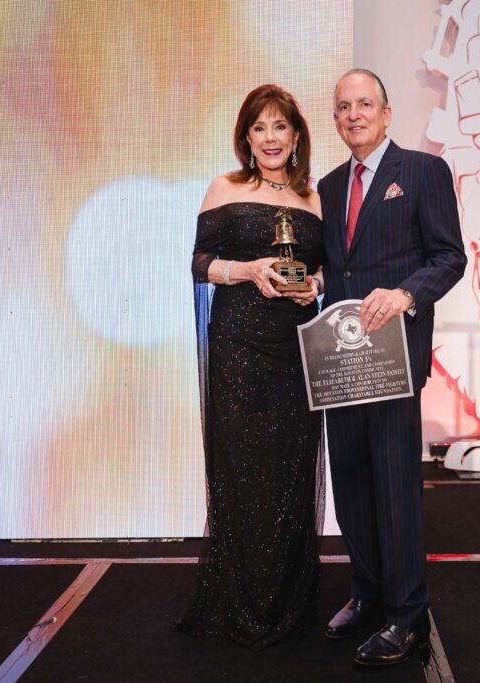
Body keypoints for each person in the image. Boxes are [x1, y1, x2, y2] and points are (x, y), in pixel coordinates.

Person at [315, 69, 466, 666]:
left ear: (386, 112)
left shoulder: (424, 172)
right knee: (352, 487)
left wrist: (406, 294)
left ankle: (407, 615)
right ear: (335, 118)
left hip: (395, 361)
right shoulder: (328, 186)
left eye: (364, 104)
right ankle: (368, 593)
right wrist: (315, 283)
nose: (354, 114)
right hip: (340, 363)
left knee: (395, 489)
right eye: (343, 106)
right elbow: (338, 267)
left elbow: (449, 257)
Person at [176, 84, 325, 650]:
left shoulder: (316, 199)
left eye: (280, 126)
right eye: (259, 127)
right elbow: (199, 264)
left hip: (296, 349)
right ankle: (240, 601)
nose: (270, 137)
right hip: (238, 347)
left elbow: (329, 270)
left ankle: (287, 601)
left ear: (296, 135)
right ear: (245, 137)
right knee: (242, 471)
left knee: (290, 470)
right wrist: (249, 270)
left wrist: (315, 285)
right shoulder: (226, 187)